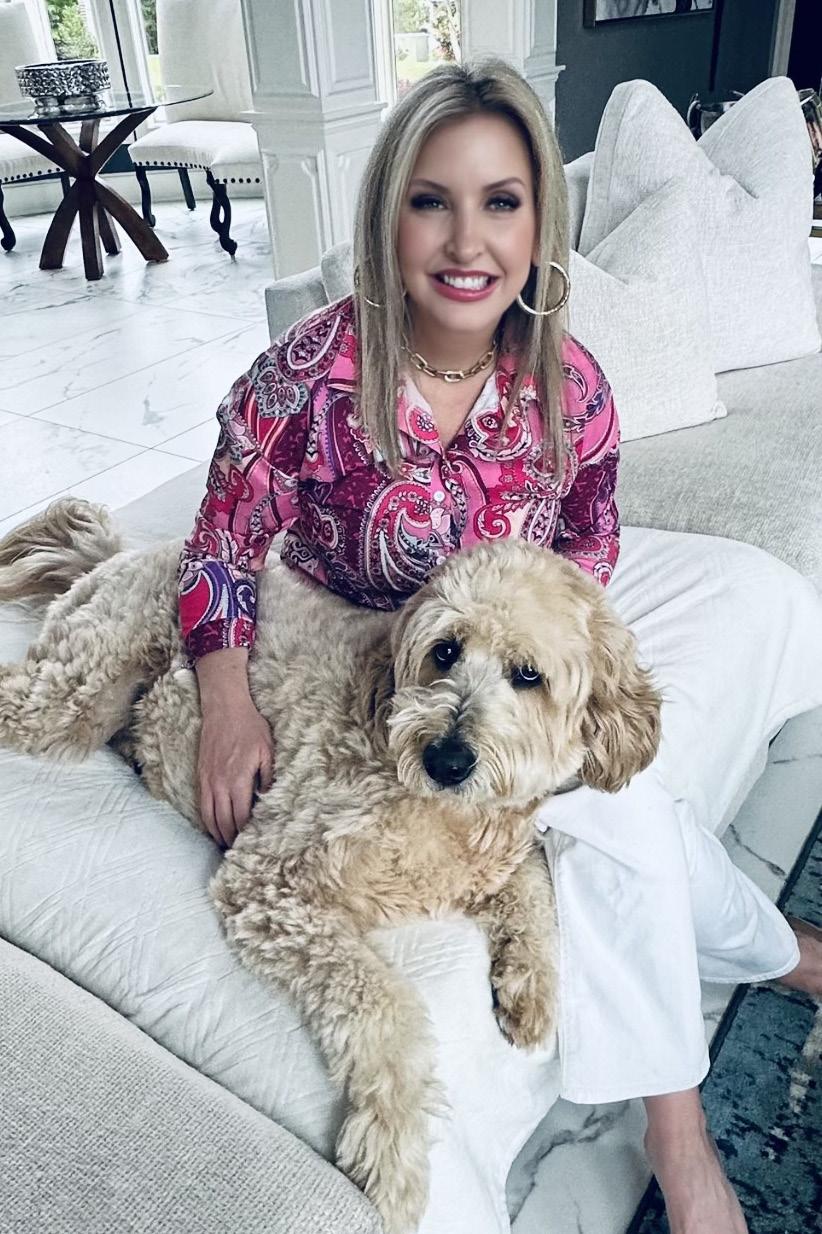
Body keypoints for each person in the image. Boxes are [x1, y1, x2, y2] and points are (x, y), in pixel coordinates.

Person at [178, 58, 822, 1234]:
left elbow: (587, 547)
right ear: (390, 215)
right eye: (432, 200)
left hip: (509, 649)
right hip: (356, 635)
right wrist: (226, 695)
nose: (467, 241)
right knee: (634, 818)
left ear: (539, 223)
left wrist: (547, 677)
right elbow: (218, 536)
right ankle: (737, 1015)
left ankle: (694, 1092)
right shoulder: (308, 376)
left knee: (619, 798)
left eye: (501, 202)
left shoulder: (572, 388)